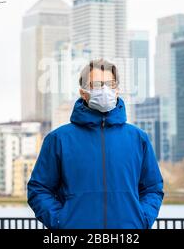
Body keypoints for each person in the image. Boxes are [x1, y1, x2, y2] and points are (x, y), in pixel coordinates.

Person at [27, 58, 164, 229]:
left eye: (110, 84)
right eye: (97, 85)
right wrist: (60, 222)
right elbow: (39, 189)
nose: (105, 90)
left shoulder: (138, 139)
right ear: (83, 92)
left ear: (117, 90)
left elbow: (153, 188)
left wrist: (142, 220)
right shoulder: (58, 139)